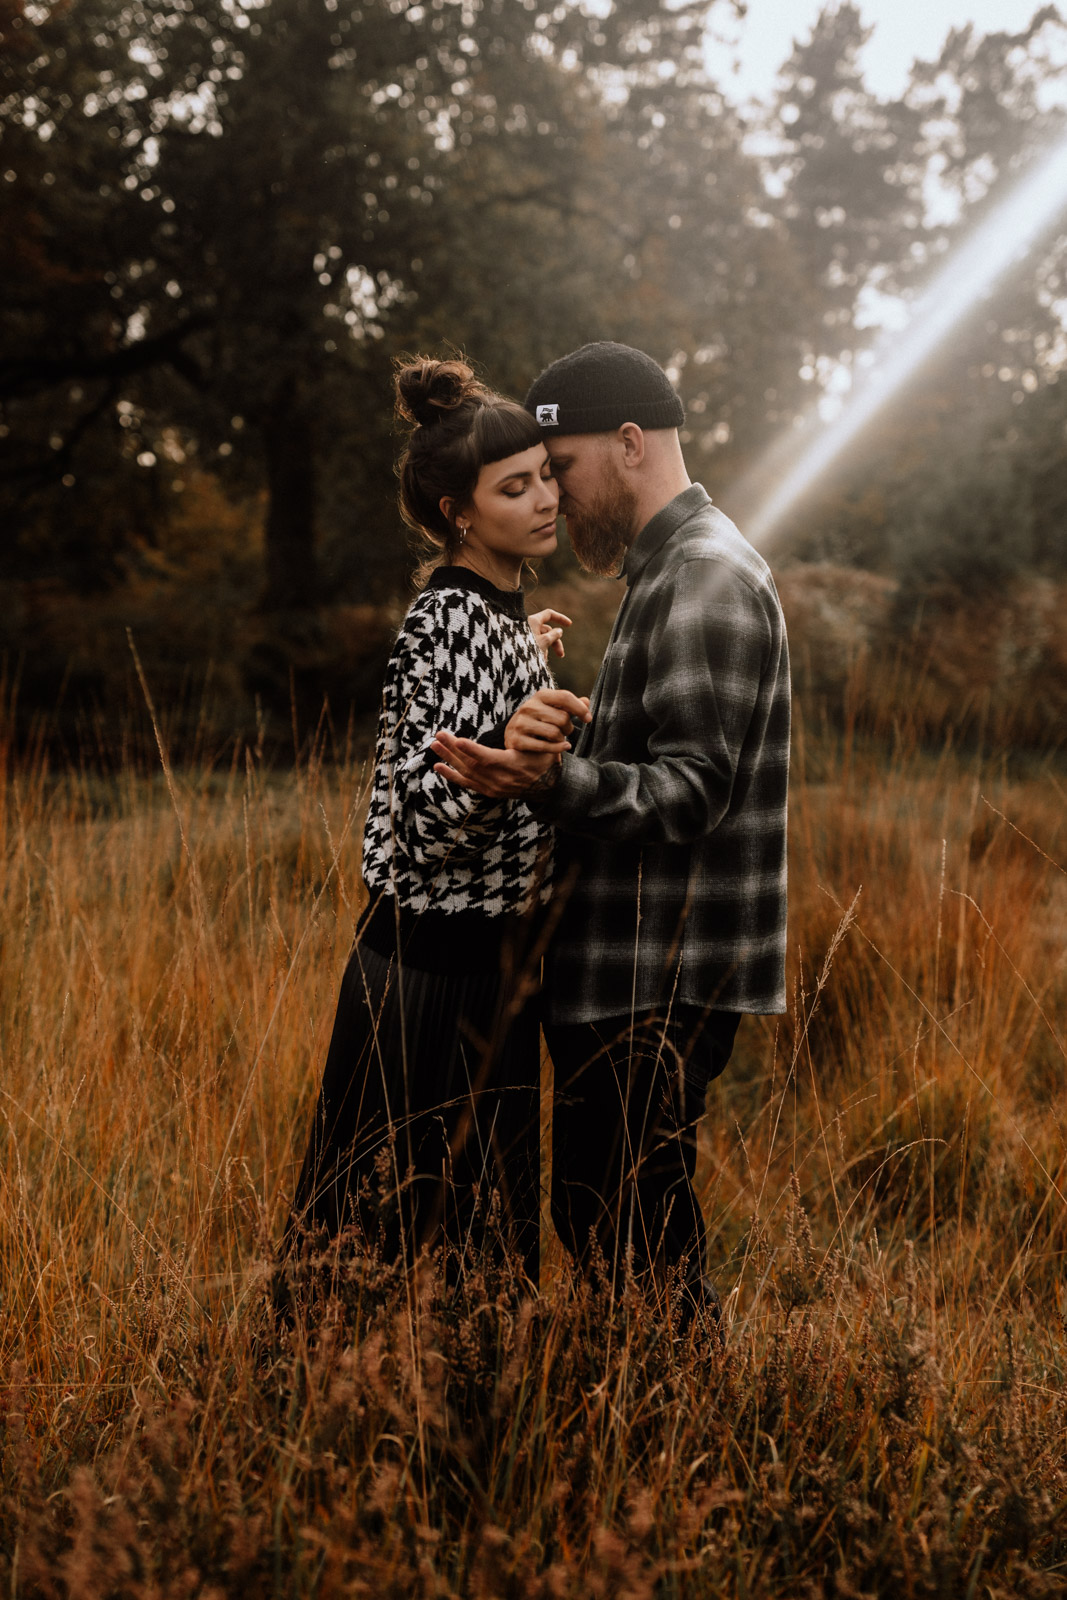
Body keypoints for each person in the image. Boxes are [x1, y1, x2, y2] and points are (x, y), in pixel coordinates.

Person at [432, 341, 790, 1325]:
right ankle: (655, 1428)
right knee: (604, 1217)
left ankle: (680, 1442)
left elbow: (688, 791)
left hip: (657, 976)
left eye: (564, 468)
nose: (555, 495)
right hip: (626, 967)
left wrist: (546, 780)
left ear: (629, 444)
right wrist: (572, 719)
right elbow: (667, 747)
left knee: (632, 1233)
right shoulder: (667, 570)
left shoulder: (703, 575)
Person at [280, 356, 572, 1297]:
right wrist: (509, 759)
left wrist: (522, 667)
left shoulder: (492, 613)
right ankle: (346, 1416)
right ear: (458, 512)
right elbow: (418, 819)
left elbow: (471, 722)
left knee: (479, 1245)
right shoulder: (444, 618)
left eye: (546, 475)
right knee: (383, 1243)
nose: (545, 499)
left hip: (489, 965)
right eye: (514, 486)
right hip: (425, 975)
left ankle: (461, 1424)